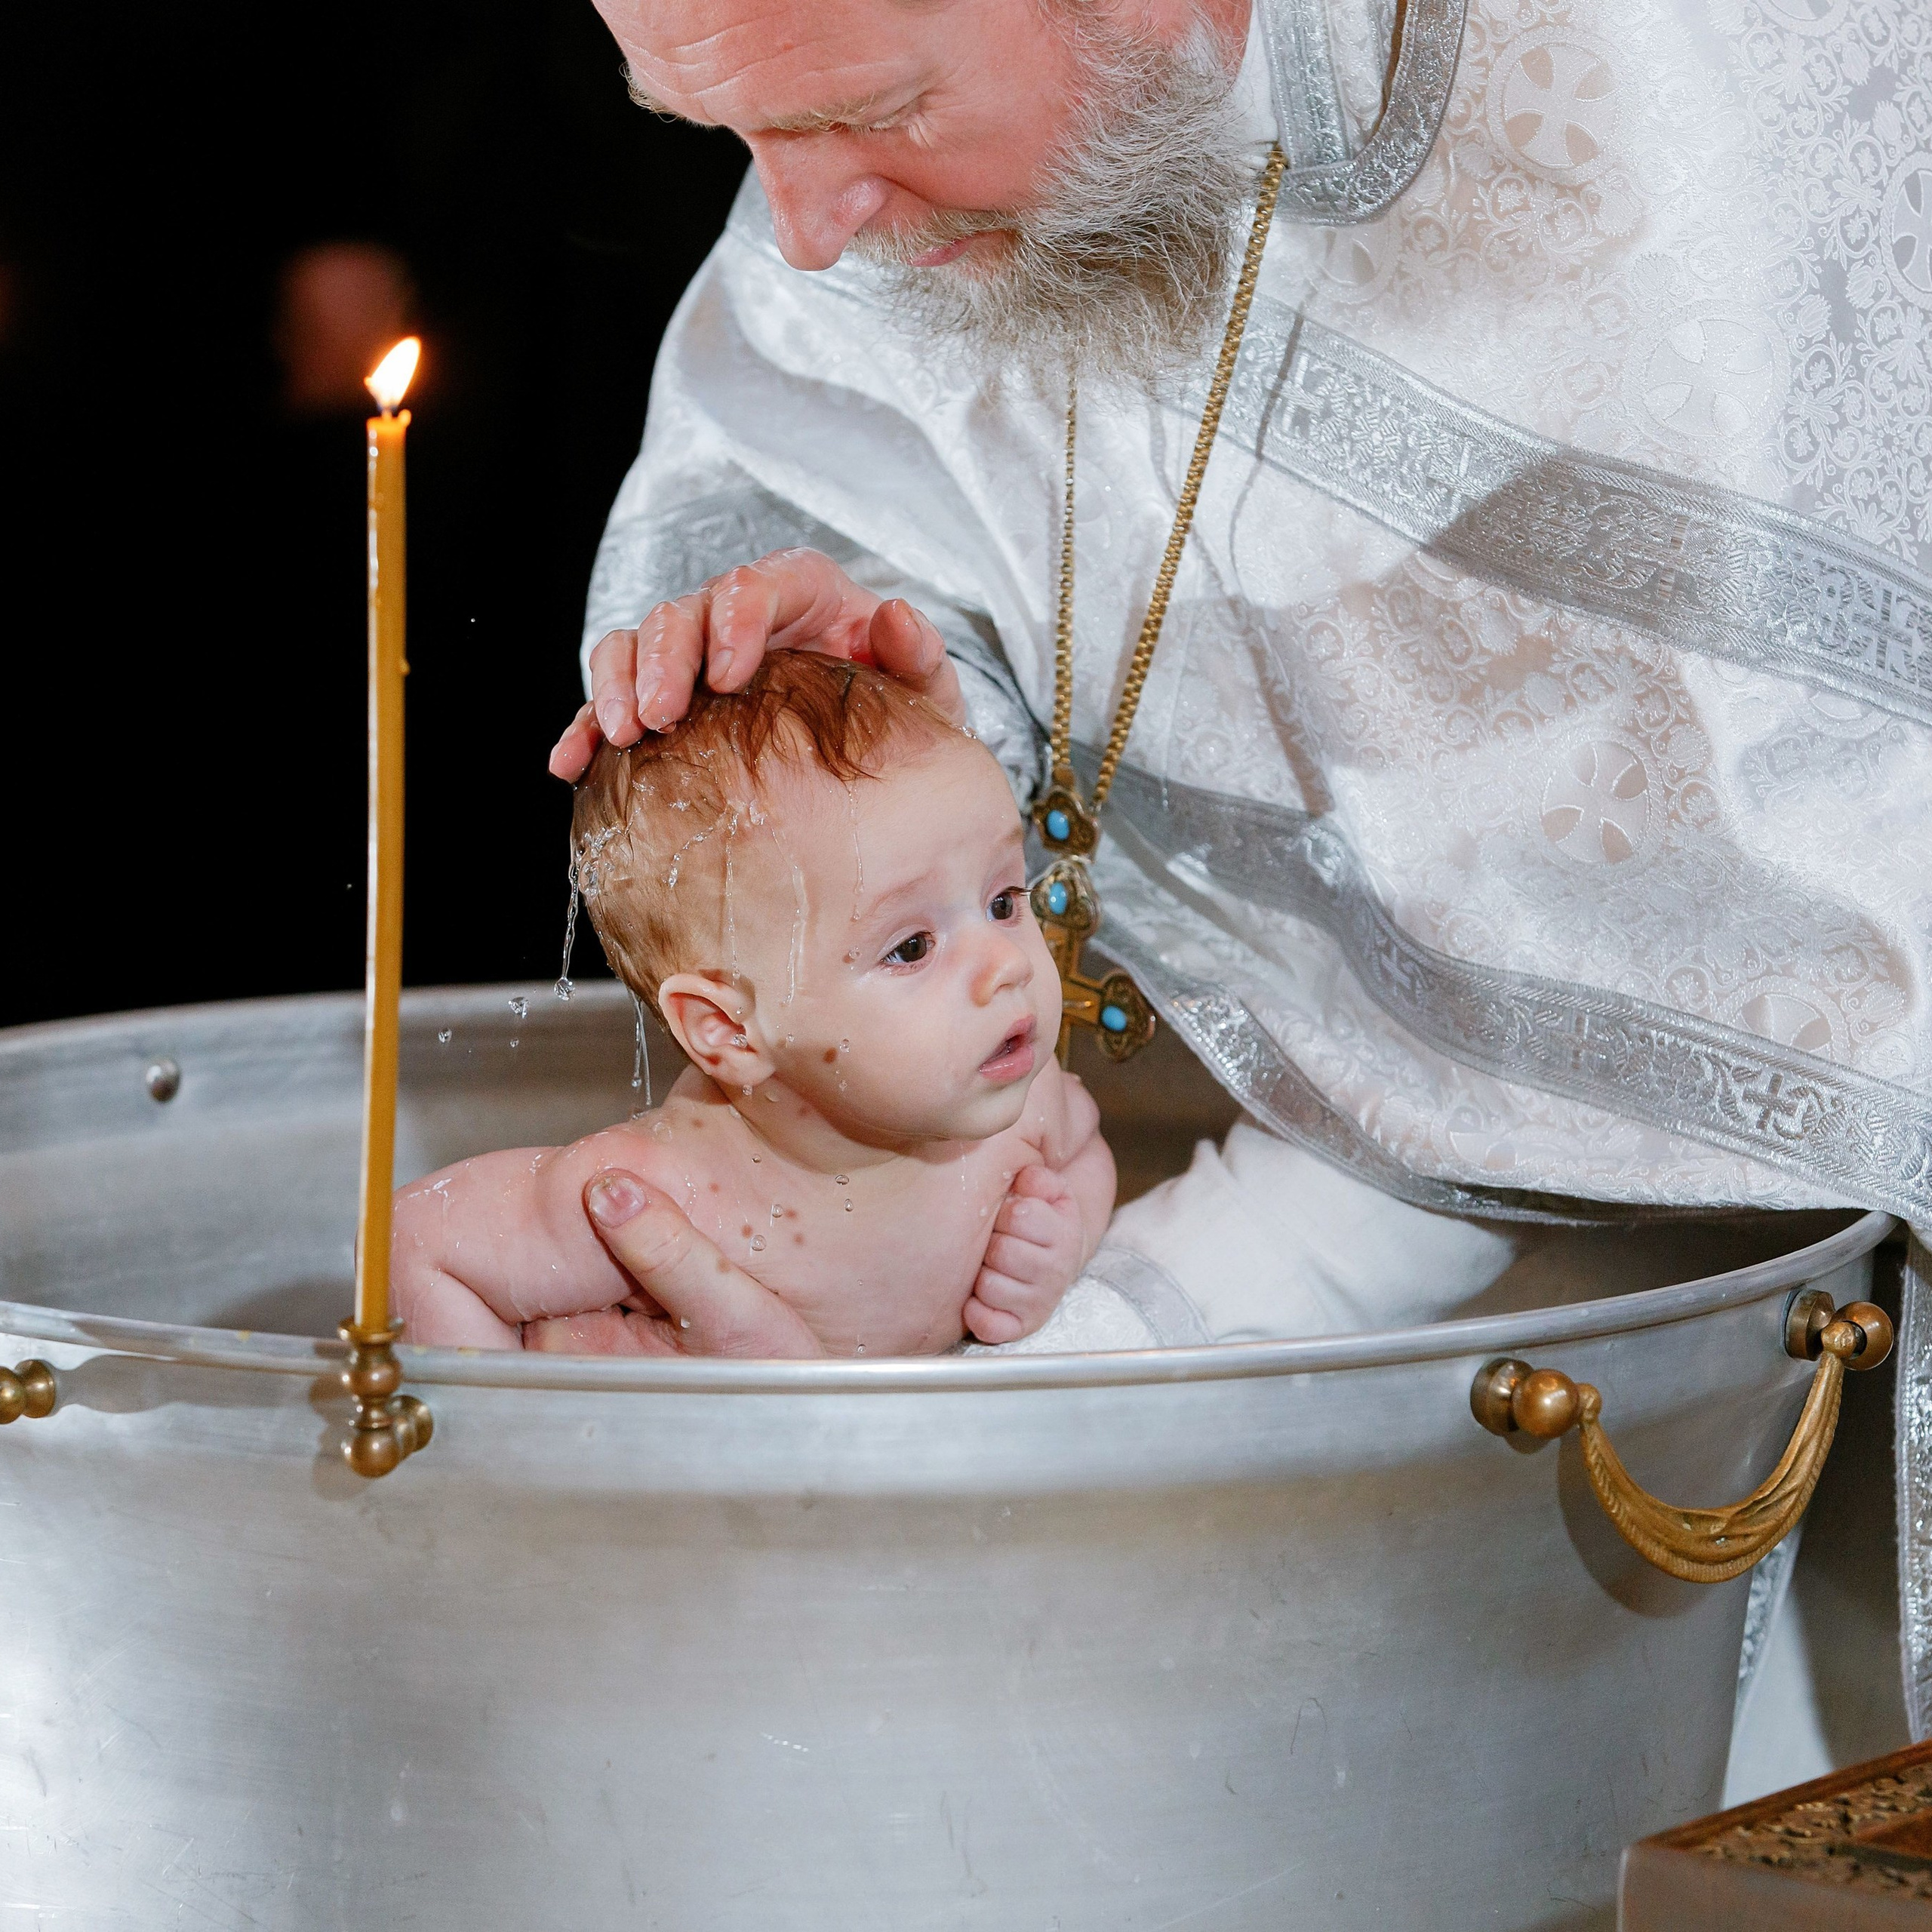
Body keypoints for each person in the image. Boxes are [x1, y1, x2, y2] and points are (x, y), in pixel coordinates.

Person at [541, 0, 1931, 1716]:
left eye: (872, 115)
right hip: (1368, 1400)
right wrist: (890, 717)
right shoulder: (864, 105)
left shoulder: (1721, 78)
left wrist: (1081, 1354)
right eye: (734, 138)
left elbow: (1734, 831)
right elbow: (829, 460)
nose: (807, 229)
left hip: (1767, 1304)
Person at [394, 651, 1117, 1356]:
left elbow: (1084, 1152)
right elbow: (413, 1241)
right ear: (730, 1030)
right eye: (911, 948)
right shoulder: (663, 1190)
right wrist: (524, 1427)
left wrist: (1065, 1238)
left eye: (1003, 902)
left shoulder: (1023, 1105)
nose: (1006, 966)